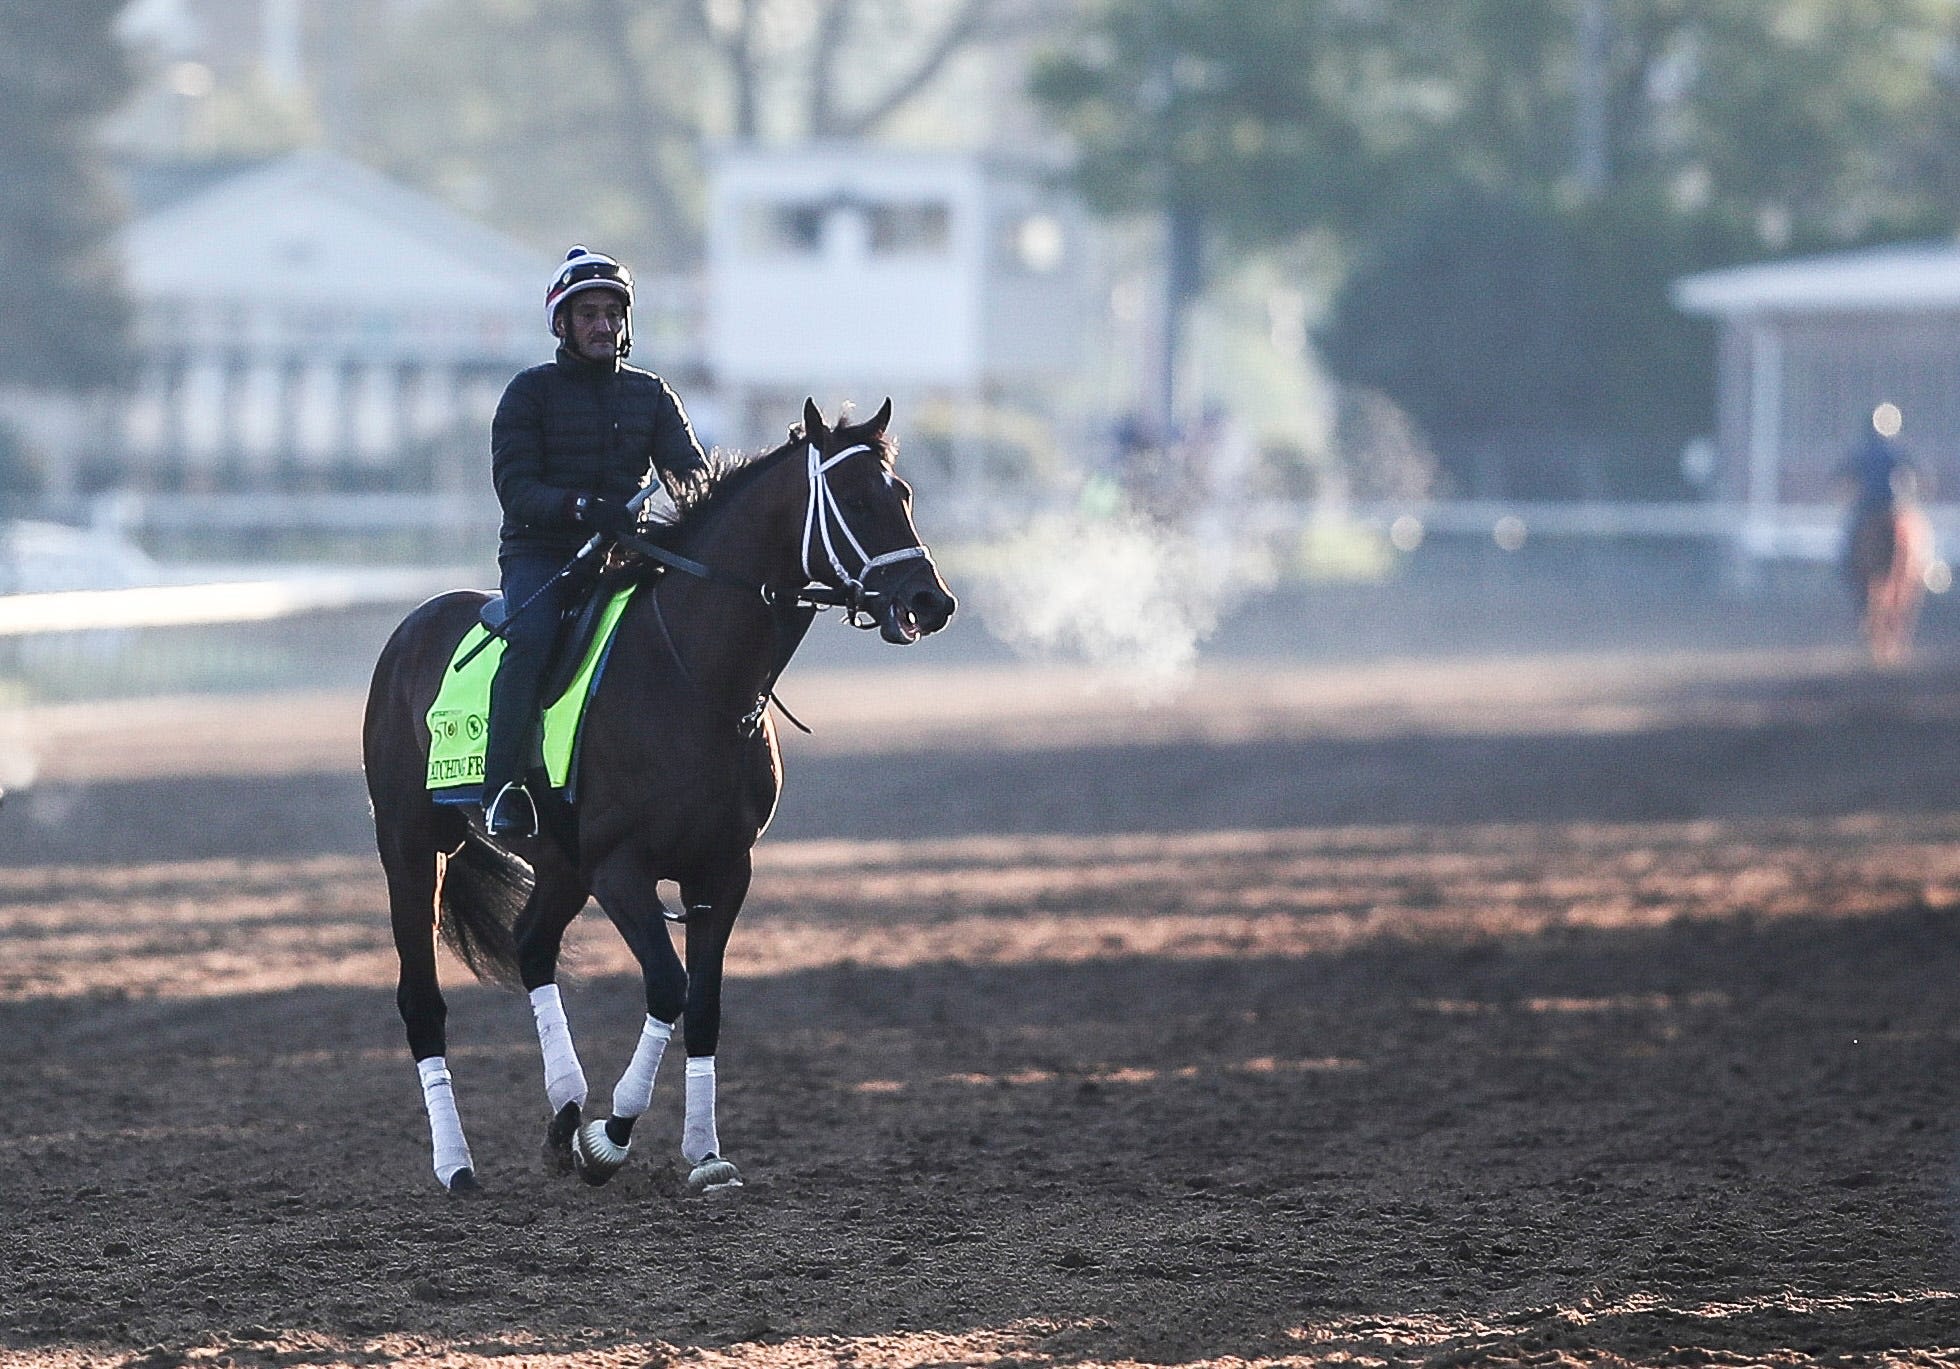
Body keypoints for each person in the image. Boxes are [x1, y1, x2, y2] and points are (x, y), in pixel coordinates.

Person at [482, 246, 709, 839]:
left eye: (614, 313)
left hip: (626, 552)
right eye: (590, 314)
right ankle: (502, 788)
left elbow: (693, 477)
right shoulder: (528, 393)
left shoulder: (653, 395)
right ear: (563, 323)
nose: (605, 325)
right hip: (542, 556)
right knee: (531, 638)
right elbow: (517, 490)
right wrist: (582, 506)